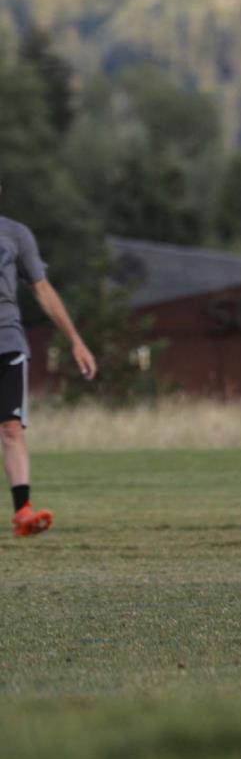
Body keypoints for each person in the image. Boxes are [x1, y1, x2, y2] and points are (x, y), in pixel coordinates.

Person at [1, 187, 98, 537]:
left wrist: (75, 340)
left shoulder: (15, 234)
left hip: (7, 342)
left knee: (11, 428)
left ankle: (23, 512)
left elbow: (43, 290)